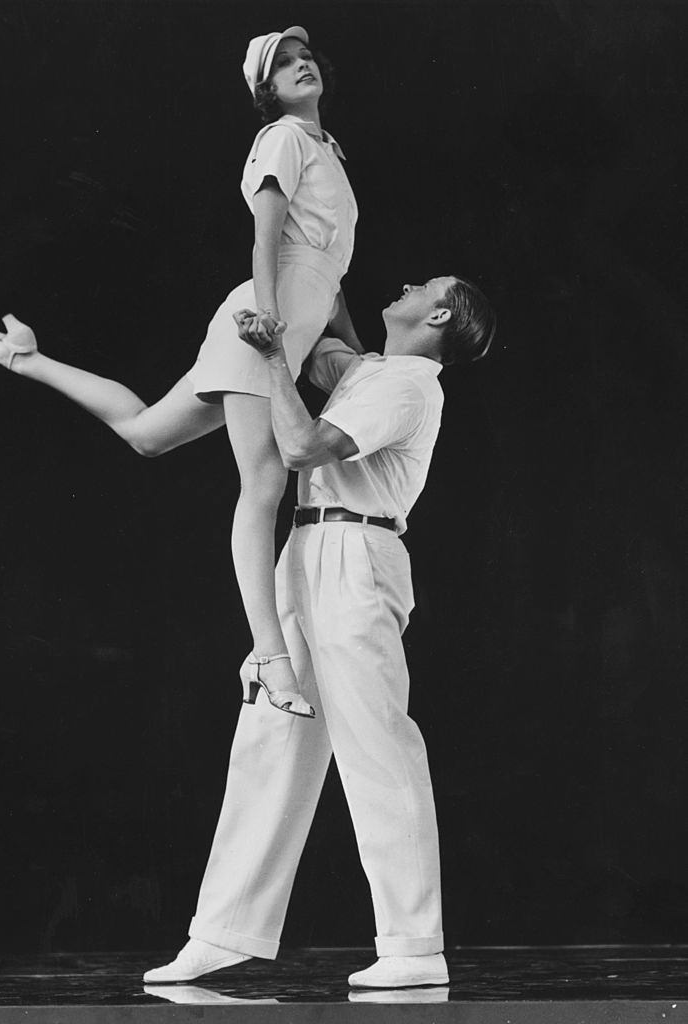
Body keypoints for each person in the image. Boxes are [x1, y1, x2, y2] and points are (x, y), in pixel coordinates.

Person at [0, 26, 361, 719]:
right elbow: (265, 234)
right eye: (282, 66)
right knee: (264, 483)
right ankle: (268, 656)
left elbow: (333, 278)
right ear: (264, 91)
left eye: (304, 58)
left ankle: (25, 357)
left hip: (292, 324)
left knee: (146, 433)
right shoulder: (283, 139)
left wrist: (356, 353)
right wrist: (265, 320)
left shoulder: (328, 150)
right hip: (260, 323)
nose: (300, 67)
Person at [142, 274, 496, 989]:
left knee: (375, 745)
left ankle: (412, 947)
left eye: (423, 285)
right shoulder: (371, 371)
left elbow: (301, 448)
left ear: (437, 315)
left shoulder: (407, 388)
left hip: (357, 557)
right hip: (306, 551)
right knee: (269, 737)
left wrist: (271, 358)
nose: (404, 282)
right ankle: (222, 932)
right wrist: (318, 259)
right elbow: (325, 341)